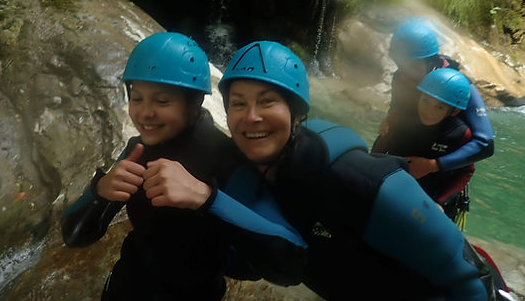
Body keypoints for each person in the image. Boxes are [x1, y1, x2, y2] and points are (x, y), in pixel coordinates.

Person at [153, 41, 504, 300]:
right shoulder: (255, 177)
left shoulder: (361, 179)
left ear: (296, 113)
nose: (251, 117)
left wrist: (207, 198)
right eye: (238, 104)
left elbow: (470, 279)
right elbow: (268, 261)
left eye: (268, 101)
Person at [60, 32, 243, 301]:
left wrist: (208, 200)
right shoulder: (138, 150)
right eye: (137, 98)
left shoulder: (226, 157)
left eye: (161, 101)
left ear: (195, 103)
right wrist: (100, 191)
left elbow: (254, 260)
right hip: (128, 288)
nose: (144, 113)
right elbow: (74, 237)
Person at [378, 18, 494, 179]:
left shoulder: (460, 86)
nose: (404, 74)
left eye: (412, 67)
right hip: (406, 155)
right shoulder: (401, 77)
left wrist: (435, 165)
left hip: (440, 167)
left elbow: (485, 144)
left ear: (432, 63)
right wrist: (389, 118)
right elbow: (397, 107)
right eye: (400, 65)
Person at [372, 67, 476, 220]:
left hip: (432, 199)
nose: (428, 111)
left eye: (439, 107)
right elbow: (381, 146)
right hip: (392, 188)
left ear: (454, 112)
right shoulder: (401, 117)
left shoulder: (460, 134)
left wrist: (441, 202)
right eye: (425, 101)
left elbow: (465, 171)